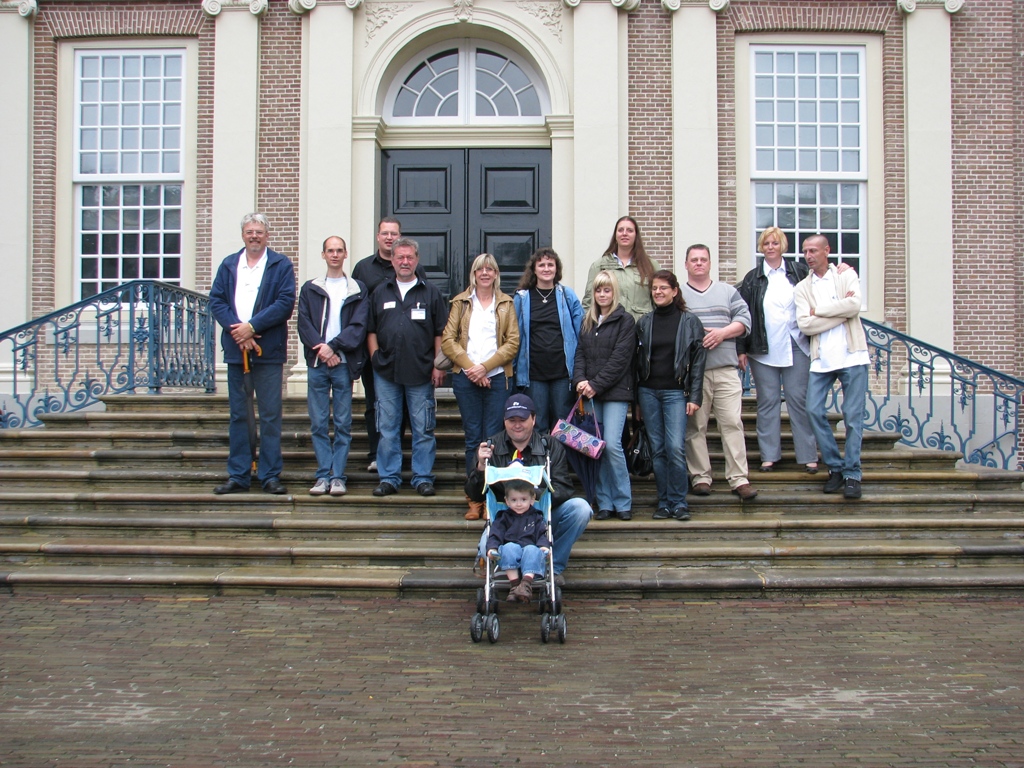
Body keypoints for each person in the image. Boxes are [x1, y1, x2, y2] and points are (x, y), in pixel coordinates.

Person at [209, 213, 296, 495]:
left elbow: (285, 302)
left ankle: (269, 475)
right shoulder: (229, 264)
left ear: (267, 235)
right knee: (239, 415)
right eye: (249, 231)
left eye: (259, 231)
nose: (254, 236)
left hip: (268, 351)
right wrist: (238, 331)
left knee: (270, 415)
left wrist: (253, 327)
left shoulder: (280, 265)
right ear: (243, 235)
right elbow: (217, 300)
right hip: (237, 351)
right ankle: (239, 475)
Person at [467, 394, 592, 586]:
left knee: (581, 508)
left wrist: (532, 497)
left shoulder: (550, 445)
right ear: (504, 421)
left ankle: (552, 568)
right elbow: (474, 494)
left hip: (541, 515)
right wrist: (480, 468)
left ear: (533, 419)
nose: (517, 425)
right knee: (486, 548)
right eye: (512, 420)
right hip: (505, 519)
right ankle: (520, 568)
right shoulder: (491, 446)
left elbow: (564, 488)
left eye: (522, 419)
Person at [365, 237, 448, 498]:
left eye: (409, 257)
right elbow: (370, 330)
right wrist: (375, 357)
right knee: (387, 428)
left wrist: (438, 365)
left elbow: (440, 332)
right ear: (392, 260)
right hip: (386, 372)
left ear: (417, 260)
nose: (404, 262)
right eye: (400, 257)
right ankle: (389, 478)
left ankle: (422, 477)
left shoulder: (431, 292)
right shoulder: (380, 292)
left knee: (423, 428)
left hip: (421, 371)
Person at [441, 253, 520, 520]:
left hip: (497, 378)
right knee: (473, 439)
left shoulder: (506, 303)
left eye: (490, 269)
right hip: (466, 378)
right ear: (473, 274)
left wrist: (485, 368)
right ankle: (474, 497)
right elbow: (448, 340)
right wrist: (472, 369)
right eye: (479, 269)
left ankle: (493, 499)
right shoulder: (460, 303)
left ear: (496, 274)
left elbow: (513, 342)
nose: (485, 273)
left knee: (495, 439)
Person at [737, 226, 819, 474]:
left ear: (782, 245)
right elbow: (743, 315)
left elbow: (823, 283)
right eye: (766, 243)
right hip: (763, 348)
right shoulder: (752, 278)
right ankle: (769, 455)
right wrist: (741, 349)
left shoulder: (799, 271)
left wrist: (842, 270)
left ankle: (808, 455)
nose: (770, 247)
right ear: (761, 247)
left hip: (797, 345)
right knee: (767, 402)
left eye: (774, 243)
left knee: (798, 400)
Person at [794, 234, 869, 500]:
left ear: (827, 251)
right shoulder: (802, 288)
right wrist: (841, 312)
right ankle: (835, 467)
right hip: (821, 359)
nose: (808, 256)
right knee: (813, 410)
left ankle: (852, 474)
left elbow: (855, 305)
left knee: (852, 417)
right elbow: (805, 325)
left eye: (813, 250)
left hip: (853, 357)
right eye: (805, 251)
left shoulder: (845, 274)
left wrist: (820, 310)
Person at [681, 244, 757, 501]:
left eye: (703, 259)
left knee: (732, 423)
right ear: (686, 264)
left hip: (725, 370)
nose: (699, 263)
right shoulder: (679, 295)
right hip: (695, 374)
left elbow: (745, 320)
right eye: (694, 259)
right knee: (695, 427)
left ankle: (739, 478)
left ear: (710, 263)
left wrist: (722, 333)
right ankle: (700, 477)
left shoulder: (727, 291)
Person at [296, 235, 368, 497]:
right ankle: (322, 475)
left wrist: (334, 347)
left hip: (343, 364)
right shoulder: (310, 288)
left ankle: (338, 476)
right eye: (330, 250)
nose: (335, 255)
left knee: (342, 423)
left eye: (339, 250)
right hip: (318, 363)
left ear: (345, 254)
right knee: (318, 423)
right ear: (323, 254)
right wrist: (323, 350)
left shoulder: (357, 289)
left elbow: (358, 326)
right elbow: (304, 323)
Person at [352, 218, 425, 472]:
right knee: (375, 405)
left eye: (394, 233)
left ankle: (399, 455)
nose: (389, 237)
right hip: (376, 355)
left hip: (409, 357)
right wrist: (372, 355)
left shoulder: (415, 268)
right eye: (385, 233)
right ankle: (377, 454)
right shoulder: (363, 268)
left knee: (404, 407)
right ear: (378, 236)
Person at [636, 270, 707, 521]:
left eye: (663, 288)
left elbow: (698, 363)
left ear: (675, 291)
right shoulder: (644, 322)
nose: (658, 292)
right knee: (657, 449)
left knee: (675, 447)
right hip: (648, 392)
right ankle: (664, 501)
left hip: (676, 393)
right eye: (655, 288)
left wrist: (695, 397)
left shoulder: (690, 322)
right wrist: (636, 401)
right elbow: (637, 363)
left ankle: (679, 502)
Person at [572, 270, 635, 521]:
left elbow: (620, 360)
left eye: (607, 290)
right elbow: (580, 354)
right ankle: (604, 502)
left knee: (612, 445)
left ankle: (623, 501)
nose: (602, 294)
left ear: (614, 292)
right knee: (594, 447)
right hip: (590, 394)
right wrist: (579, 380)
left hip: (615, 393)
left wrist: (595, 385)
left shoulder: (625, 321)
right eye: (598, 290)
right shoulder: (588, 321)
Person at [513, 247, 583, 433]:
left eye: (550, 265)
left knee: (563, 423)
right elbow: (515, 335)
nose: (546, 268)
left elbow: (582, 332)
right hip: (534, 373)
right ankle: (541, 453)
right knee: (538, 422)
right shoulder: (522, 298)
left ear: (556, 269)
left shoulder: (567, 295)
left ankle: (561, 454)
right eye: (541, 265)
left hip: (562, 372)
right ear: (534, 269)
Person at [485, 478, 551, 602]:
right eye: (514, 500)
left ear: (532, 499)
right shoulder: (503, 517)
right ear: (507, 501)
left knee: (532, 549)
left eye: (523, 499)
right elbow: (496, 534)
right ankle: (515, 585)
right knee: (509, 547)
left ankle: (525, 584)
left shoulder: (536, 517)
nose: (519, 504)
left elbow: (541, 534)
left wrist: (544, 546)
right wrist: (492, 547)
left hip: (530, 549)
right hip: (510, 551)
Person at [582, 215, 659, 321]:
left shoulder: (650, 266)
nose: (624, 233)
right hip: (610, 326)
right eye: (620, 230)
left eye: (629, 230)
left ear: (636, 235)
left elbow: (660, 299)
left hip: (641, 327)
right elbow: (588, 302)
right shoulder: (599, 266)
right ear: (615, 235)